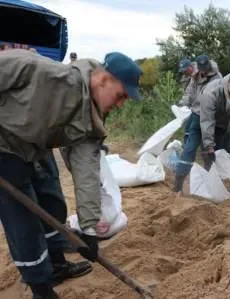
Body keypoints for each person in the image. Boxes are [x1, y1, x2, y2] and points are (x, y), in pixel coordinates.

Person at [0, 49, 142, 299]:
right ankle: (41, 289)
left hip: (34, 149)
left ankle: (56, 264)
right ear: (103, 80)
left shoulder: (92, 121)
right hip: (4, 146)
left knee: (51, 200)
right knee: (23, 221)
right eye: (121, 95)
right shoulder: (45, 73)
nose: (120, 104)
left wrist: (88, 231)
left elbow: (87, 172)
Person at [198, 70, 230, 196]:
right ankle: (207, 189)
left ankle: (229, 188)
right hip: (206, 121)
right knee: (209, 157)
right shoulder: (211, 92)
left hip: (224, 125)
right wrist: (209, 146)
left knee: (226, 156)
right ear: (229, 83)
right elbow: (207, 121)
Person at [178, 54, 222, 144]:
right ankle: (188, 148)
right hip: (194, 108)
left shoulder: (215, 76)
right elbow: (189, 92)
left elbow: (215, 94)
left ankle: (202, 148)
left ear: (191, 67)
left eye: (186, 70)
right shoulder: (191, 77)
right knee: (189, 128)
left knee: (203, 129)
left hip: (206, 109)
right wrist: (183, 105)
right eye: (183, 71)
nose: (185, 72)